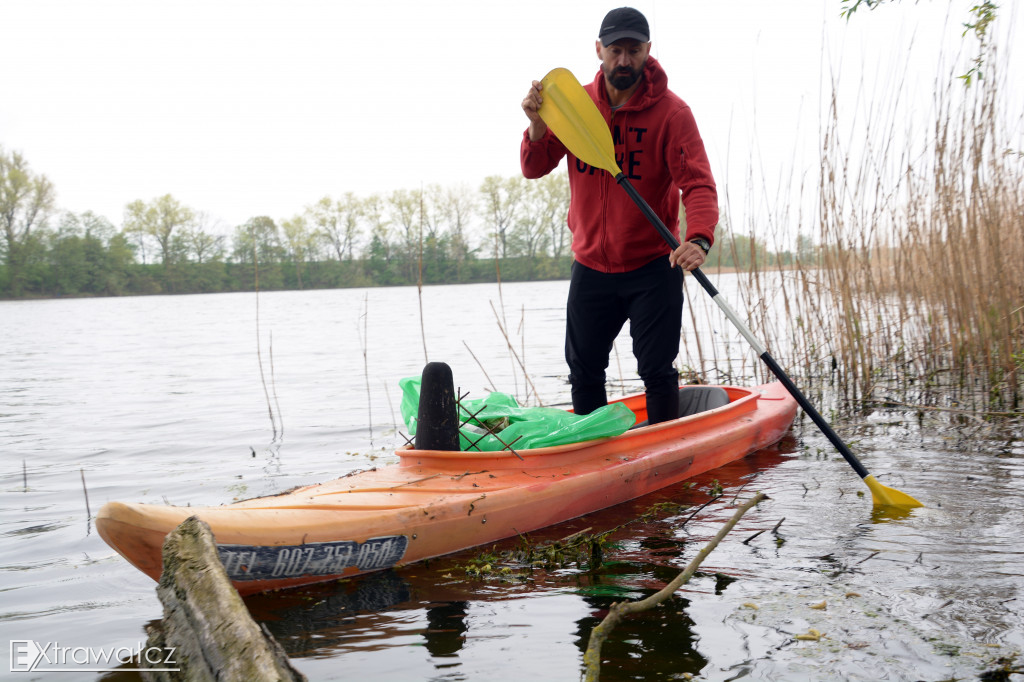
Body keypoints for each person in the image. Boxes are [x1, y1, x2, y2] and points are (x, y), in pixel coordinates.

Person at [520, 6, 718, 425]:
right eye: (615, 50)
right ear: (599, 50)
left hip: (653, 263)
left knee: (656, 371)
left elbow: (697, 183)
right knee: (584, 370)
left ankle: (665, 451)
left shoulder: (672, 113)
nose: (624, 60)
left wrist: (698, 239)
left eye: (633, 50)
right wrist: (537, 126)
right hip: (591, 265)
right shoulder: (574, 108)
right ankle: (592, 457)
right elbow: (534, 167)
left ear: (648, 50)